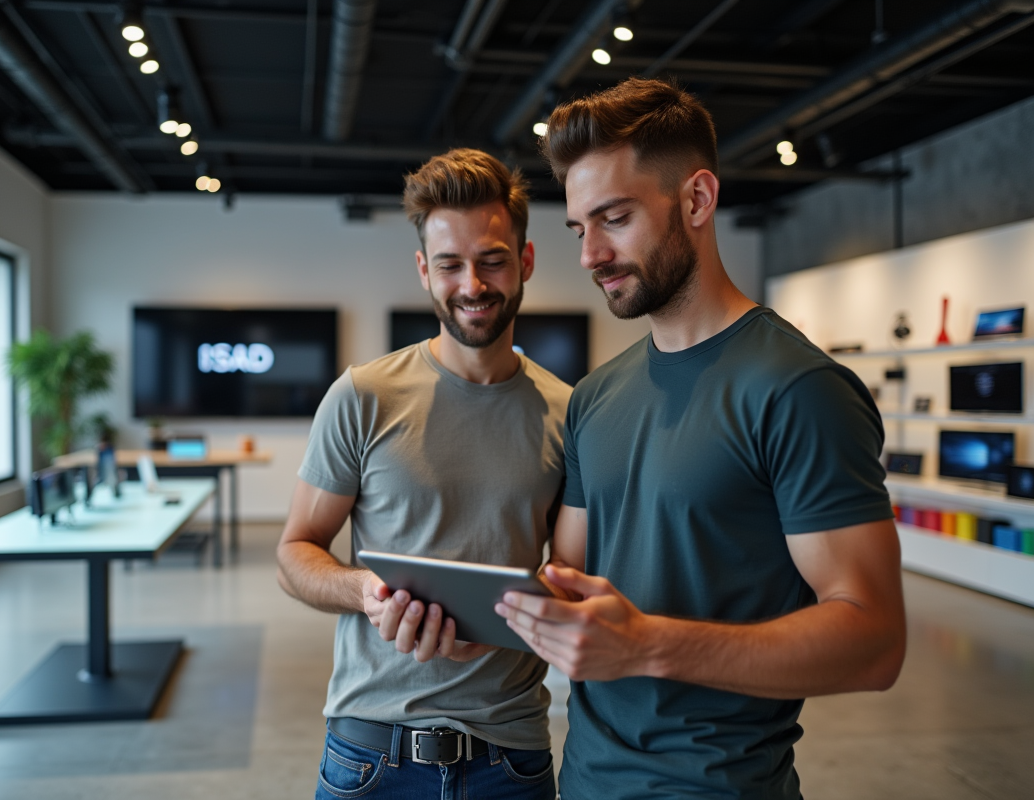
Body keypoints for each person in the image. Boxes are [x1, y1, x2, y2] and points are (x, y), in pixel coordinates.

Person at [495, 78, 907, 799]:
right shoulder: (595, 397)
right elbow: (570, 580)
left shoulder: (798, 390)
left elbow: (874, 642)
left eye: (614, 218)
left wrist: (648, 645)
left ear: (696, 200)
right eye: (578, 228)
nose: (590, 254)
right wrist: (462, 603)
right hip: (586, 778)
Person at [276, 148, 571, 800]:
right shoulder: (361, 396)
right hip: (369, 753)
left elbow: (574, 576)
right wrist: (366, 594)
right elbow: (295, 551)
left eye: (492, 259)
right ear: (424, 271)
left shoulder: (567, 413)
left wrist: (504, 620)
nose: (472, 284)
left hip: (512, 758)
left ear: (524, 261)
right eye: (450, 265)